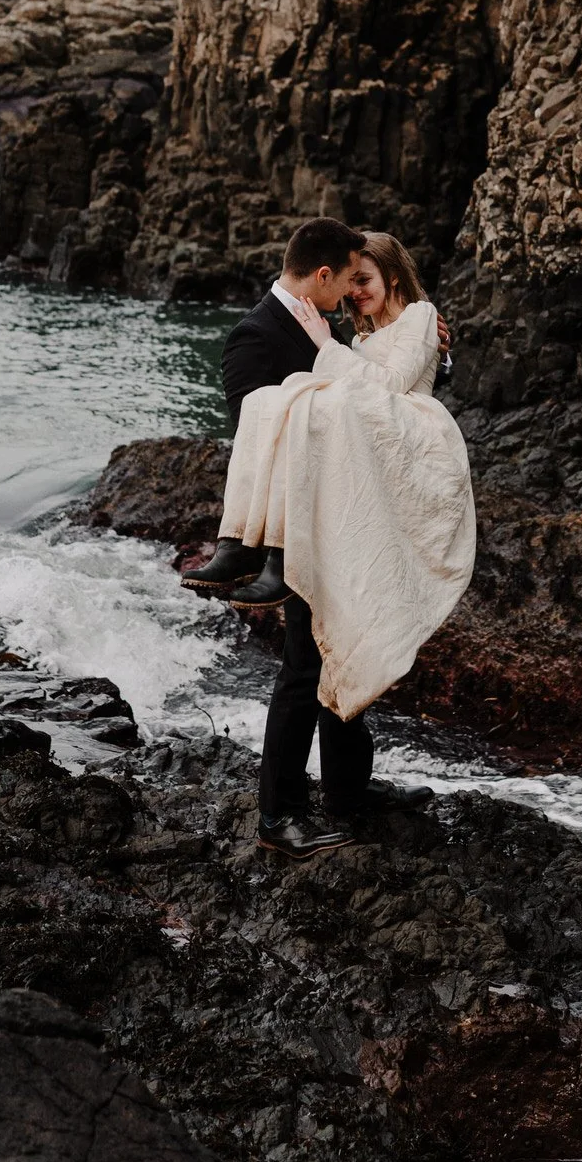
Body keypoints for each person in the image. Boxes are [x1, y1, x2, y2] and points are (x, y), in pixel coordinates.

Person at [185, 221, 474, 858]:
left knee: (341, 652)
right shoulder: (256, 335)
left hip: (347, 521)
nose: (350, 295)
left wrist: (434, 354)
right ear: (324, 275)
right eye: (347, 281)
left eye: (361, 282)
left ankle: (346, 797)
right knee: (301, 668)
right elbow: (254, 435)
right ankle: (279, 814)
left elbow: (384, 399)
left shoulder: (342, 330)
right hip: (304, 525)